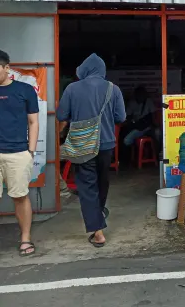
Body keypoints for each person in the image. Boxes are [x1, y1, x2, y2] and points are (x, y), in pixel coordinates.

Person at [56, 54, 126, 247]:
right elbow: (121, 117)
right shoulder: (113, 89)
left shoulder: (72, 88)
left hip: (83, 145)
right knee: (102, 183)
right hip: (106, 145)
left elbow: (61, 115)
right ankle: (99, 214)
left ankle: (98, 232)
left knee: (87, 187)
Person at [0, 50, 40, 256]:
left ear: (7, 68)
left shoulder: (25, 90)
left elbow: (33, 122)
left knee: (20, 196)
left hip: (17, 152)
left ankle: (25, 238)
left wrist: (30, 151)